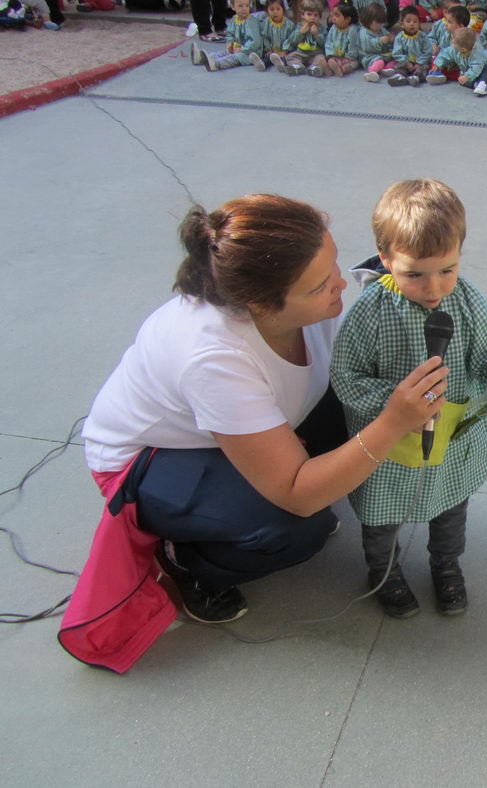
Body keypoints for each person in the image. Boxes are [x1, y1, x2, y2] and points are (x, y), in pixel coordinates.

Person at [75, 194, 448, 640]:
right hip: (157, 461)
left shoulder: (296, 296)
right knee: (294, 527)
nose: (340, 285)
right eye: (318, 287)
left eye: (333, 264)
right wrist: (391, 424)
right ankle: (188, 562)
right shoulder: (214, 357)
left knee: (355, 416)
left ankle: (271, 473)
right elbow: (299, 494)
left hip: (238, 424)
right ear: (261, 305)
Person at [330, 180, 487, 618]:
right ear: (385, 259)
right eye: (414, 274)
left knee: (451, 508)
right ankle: (384, 572)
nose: (434, 287)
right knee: (382, 518)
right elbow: (346, 376)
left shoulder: (468, 299)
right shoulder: (372, 311)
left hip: (452, 442)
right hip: (389, 446)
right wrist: (395, 403)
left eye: (447, 269)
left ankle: (446, 564)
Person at [191, 0, 256, 70]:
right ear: (233, 7)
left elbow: (256, 41)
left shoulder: (254, 21)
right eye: (240, 6)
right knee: (225, 52)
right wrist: (231, 44)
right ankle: (200, 58)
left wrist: (243, 49)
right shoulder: (235, 19)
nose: (244, 8)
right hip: (239, 47)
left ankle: (216, 64)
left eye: (247, 6)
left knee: (235, 58)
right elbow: (232, 34)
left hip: (252, 52)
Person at [271, 0, 329, 75]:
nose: (312, 17)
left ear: (320, 17)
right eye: (309, 14)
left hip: (315, 53)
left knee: (321, 59)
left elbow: (325, 43)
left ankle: (315, 69)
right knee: (291, 56)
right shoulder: (299, 26)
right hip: (301, 52)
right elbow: (293, 41)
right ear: (303, 15)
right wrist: (300, 33)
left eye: (315, 15)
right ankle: (297, 67)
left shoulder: (321, 28)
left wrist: (316, 35)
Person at [388, 5, 431, 84]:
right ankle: (399, 76)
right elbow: (397, 53)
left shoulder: (423, 36)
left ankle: (416, 77)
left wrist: (419, 63)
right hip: (406, 63)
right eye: (408, 21)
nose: (412, 24)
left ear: (419, 24)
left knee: (425, 67)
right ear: (402, 24)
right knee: (400, 66)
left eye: (415, 21)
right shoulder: (400, 37)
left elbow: (428, 52)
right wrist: (406, 63)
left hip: (420, 63)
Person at [249, 0, 296, 69]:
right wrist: (268, 49)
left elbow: (290, 39)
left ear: (283, 10)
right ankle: (261, 63)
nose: (275, 12)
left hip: (284, 51)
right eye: (271, 9)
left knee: (287, 58)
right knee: (268, 58)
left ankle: (281, 64)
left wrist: (285, 51)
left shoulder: (289, 25)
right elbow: (264, 37)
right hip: (271, 50)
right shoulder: (266, 23)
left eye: (278, 9)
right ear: (267, 11)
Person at [358, 1, 396, 80]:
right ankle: (372, 71)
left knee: (394, 57)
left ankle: (383, 69)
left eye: (381, 23)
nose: (380, 26)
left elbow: (387, 38)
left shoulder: (381, 29)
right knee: (379, 61)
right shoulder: (364, 32)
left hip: (382, 54)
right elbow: (368, 47)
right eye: (377, 23)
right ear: (368, 20)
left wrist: (390, 40)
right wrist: (379, 41)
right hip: (369, 56)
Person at [324, 3, 362, 77]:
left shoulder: (352, 29)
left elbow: (353, 46)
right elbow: (329, 42)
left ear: (348, 19)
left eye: (337, 15)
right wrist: (331, 55)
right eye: (333, 15)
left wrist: (349, 57)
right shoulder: (333, 28)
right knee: (331, 60)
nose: (334, 18)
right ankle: (331, 67)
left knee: (354, 63)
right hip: (336, 56)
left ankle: (343, 69)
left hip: (350, 58)